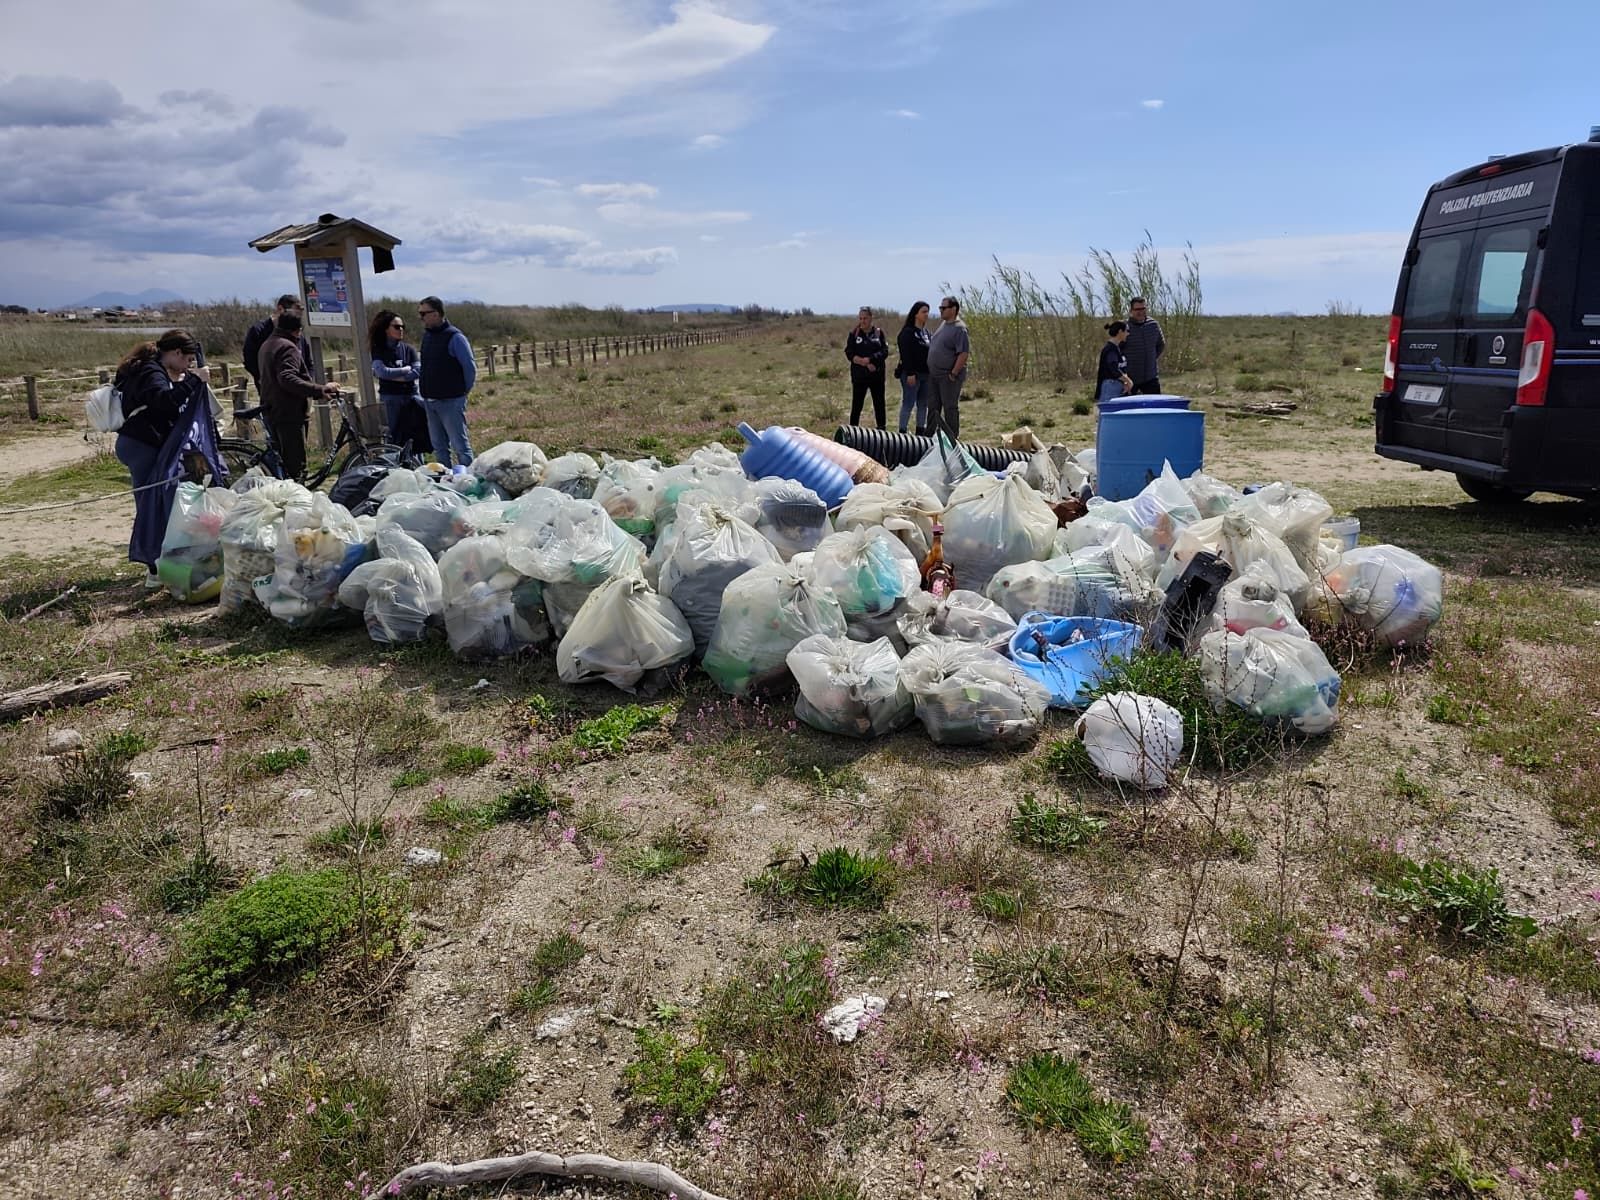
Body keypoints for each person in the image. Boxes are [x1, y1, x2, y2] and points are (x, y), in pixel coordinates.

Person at [112, 329, 215, 588]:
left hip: (142, 445)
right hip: (141, 446)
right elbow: (165, 402)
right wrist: (195, 380)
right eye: (188, 360)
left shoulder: (152, 368)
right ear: (176, 353)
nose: (189, 366)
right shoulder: (150, 372)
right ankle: (154, 569)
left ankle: (159, 565)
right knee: (151, 505)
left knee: (155, 503)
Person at [258, 310, 339, 480]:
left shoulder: (268, 344)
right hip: (289, 411)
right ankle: (296, 499)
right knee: (295, 466)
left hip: (272, 408)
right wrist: (320, 390)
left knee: (283, 463)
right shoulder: (288, 347)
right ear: (297, 330)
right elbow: (287, 378)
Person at [417, 295, 476, 468]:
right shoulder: (427, 337)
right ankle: (446, 482)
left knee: (460, 446)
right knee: (439, 447)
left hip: (451, 401)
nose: (421, 318)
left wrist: (462, 393)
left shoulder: (455, 337)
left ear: (436, 313)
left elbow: (470, 368)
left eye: (424, 314)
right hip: (430, 401)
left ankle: (469, 482)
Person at [368, 309, 430, 454]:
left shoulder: (409, 349)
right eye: (396, 327)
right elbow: (381, 372)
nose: (400, 330)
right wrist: (404, 370)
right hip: (391, 398)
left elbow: (417, 371)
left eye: (402, 327)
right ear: (386, 329)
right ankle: (394, 466)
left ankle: (416, 465)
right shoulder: (379, 350)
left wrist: (395, 376)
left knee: (415, 434)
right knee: (394, 434)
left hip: (411, 397)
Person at [242, 295, 311, 400]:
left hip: (299, 393)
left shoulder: (299, 334)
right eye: (295, 312)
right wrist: (264, 378)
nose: (297, 317)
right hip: (272, 395)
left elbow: (308, 362)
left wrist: (307, 384)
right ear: (280, 309)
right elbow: (250, 360)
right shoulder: (259, 331)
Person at [926, 296, 971, 440]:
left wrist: (953, 373)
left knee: (950, 408)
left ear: (953, 309)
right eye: (940, 308)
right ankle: (930, 437)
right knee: (933, 408)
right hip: (934, 376)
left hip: (948, 377)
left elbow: (963, 353)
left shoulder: (960, 329)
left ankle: (952, 438)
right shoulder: (944, 325)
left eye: (944, 308)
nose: (941, 311)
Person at [844, 306, 889, 429]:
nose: (862, 321)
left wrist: (871, 359)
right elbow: (849, 352)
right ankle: (852, 431)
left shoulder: (879, 333)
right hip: (860, 377)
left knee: (879, 404)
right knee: (857, 406)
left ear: (871, 318)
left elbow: (884, 351)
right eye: (860, 318)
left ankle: (882, 430)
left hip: (877, 377)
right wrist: (861, 361)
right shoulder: (854, 334)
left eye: (865, 318)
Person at [894, 301, 932, 435]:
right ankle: (902, 431)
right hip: (911, 374)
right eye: (923, 312)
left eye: (928, 312)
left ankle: (920, 431)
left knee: (923, 404)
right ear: (916, 314)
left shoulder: (926, 333)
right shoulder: (908, 333)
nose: (926, 314)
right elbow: (906, 354)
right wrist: (910, 373)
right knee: (908, 403)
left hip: (926, 375)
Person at [1123, 296, 1166, 394]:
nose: (1140, 312)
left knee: (1155, 406)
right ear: (1131, 310)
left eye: (1143, 309)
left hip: (1150, 376)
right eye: (1137, 309)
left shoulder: (1153, 325)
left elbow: (1161, 344)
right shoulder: (1125, 327)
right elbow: (1118, 350)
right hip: (1130, 378)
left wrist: (1151, 358)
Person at [1096, 321, 1134, 402]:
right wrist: (1128, 381)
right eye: (1127, 331)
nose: (1128, 334)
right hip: (1110, 386)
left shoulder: (1117, 348)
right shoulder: (1110, 349)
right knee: (1109, 412)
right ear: (1120, 332)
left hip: (1116, 385)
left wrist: (1125, 382)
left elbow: (1121, 367)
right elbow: (1113, 368)